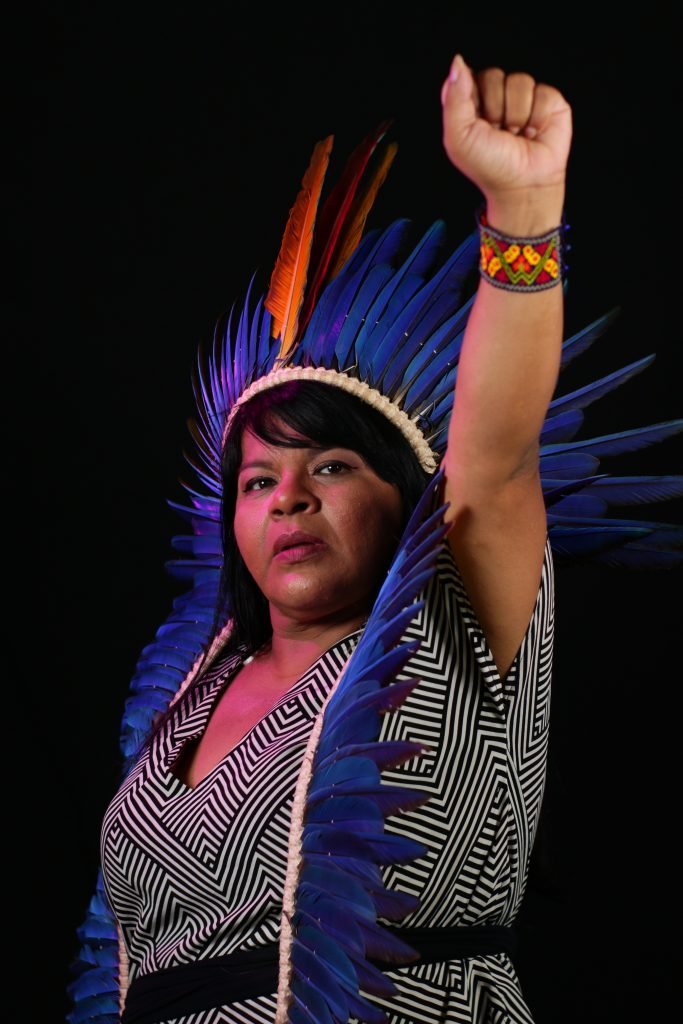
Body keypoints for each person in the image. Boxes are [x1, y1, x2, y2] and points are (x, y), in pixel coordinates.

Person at [68, 54, 681, 1024]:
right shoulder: (195, 681)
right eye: (258, 480)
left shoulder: (446, 630)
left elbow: (494, 459)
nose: (289, 498)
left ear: (404, 500)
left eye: (331, 467)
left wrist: (522, 212)